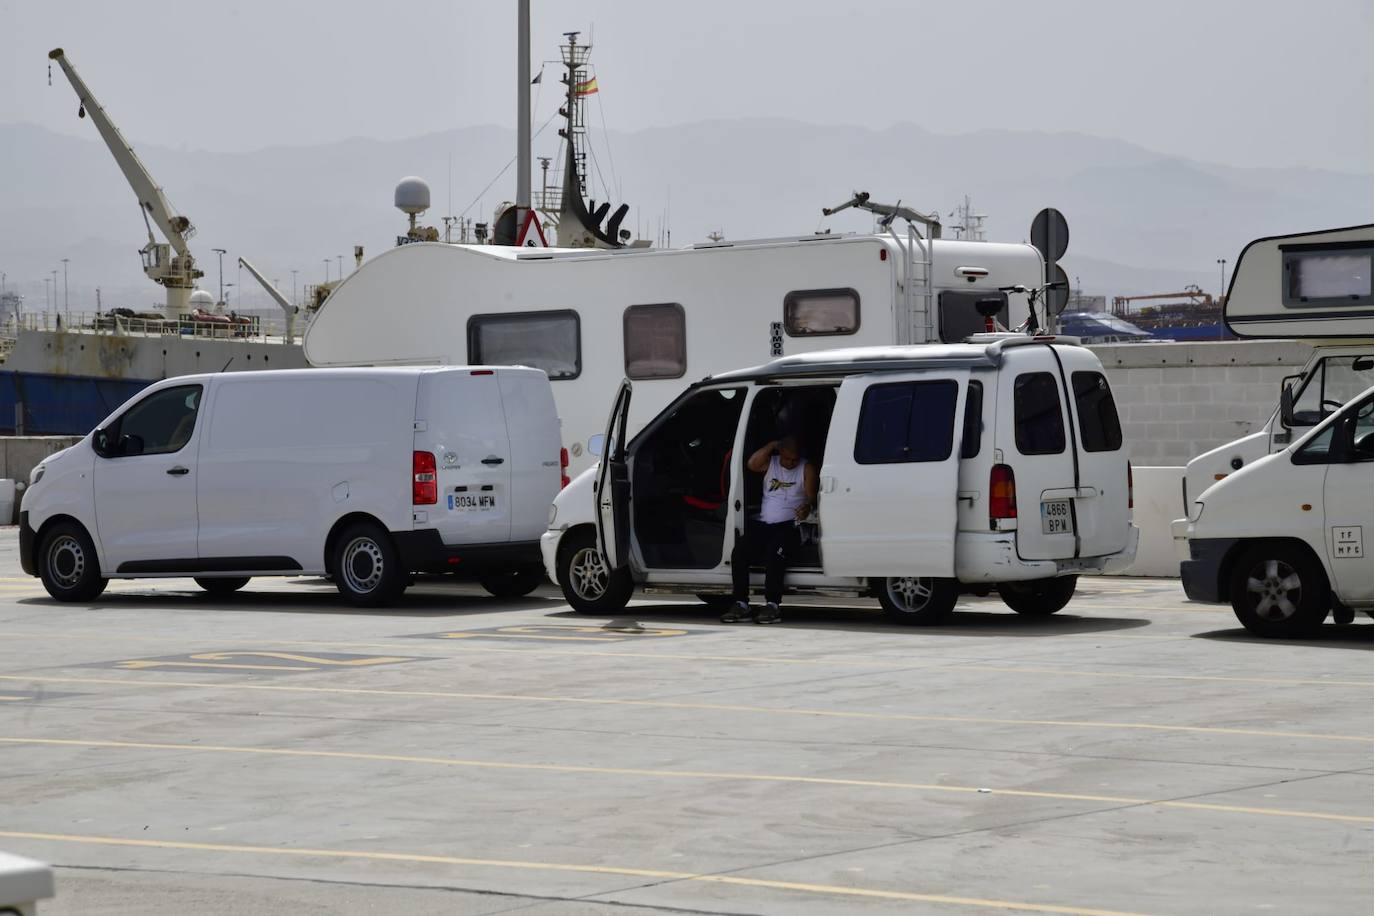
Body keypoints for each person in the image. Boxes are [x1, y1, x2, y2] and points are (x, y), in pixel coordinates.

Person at [721, 435, 819, 625]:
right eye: (787, 458)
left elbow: (811, 497)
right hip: (765, 523)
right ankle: (741, 603)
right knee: (739, 552)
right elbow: (751, 464)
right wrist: (772, 445)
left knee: (775, 553)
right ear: (779, 453)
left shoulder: (806, 468)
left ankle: (772, 604)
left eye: (794, 459)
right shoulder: (770, 463)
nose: (791, 463)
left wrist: (807, 506)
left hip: (790, 525)